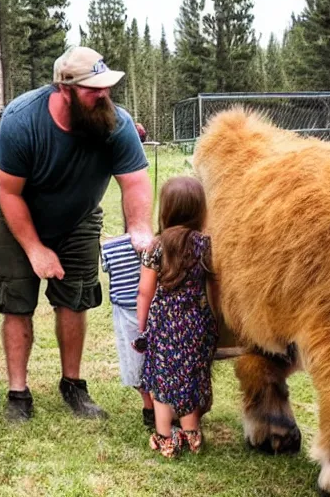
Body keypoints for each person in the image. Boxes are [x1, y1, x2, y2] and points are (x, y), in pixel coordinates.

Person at [0, 46, 153, 422]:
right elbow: (9, 194)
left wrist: (140, 228)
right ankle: (18, 393)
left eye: (107, 86)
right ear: (65, 89)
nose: (104, 94)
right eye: (94, 89)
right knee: (16, 302)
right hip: (19, 218)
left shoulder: (115, 123)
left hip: (79, 219)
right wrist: (34, 249)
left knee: (75, 299)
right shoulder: (22, 120)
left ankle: (73, 386)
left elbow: (135, 182)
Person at [137, 176, 218, 458]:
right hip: (197, 323)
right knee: (191, 377)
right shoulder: (205, 245)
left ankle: (165, 438)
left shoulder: (156, 247)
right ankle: (192, 435)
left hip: (165, 325)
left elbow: (144, 293)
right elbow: (214, 287)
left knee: (162, 381)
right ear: (200, 209)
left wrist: (142, 326)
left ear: (166, 209)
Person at [101, 233, 155, 428]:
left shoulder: (109, 247)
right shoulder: (154, 243)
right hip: (151, 308)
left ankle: (148, 408)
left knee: (134, 363)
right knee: (155, 362)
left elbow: (106, 268)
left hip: (125, 310)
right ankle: (156, 409)